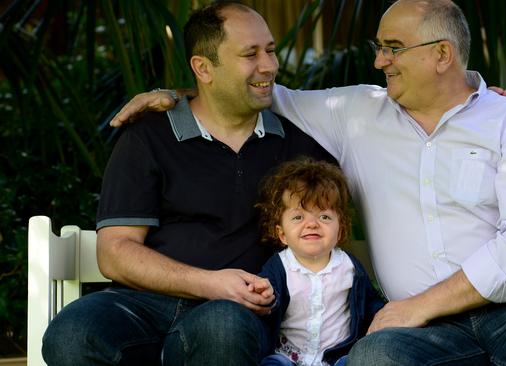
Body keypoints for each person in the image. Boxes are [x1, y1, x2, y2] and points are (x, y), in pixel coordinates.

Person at [112, 0, 506, 364]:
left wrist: (417, 307)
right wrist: (171, 95)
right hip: (420, 330)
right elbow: (245, 92)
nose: (378, 61)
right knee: (375, 363)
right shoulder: (355, 112)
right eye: (379, 47)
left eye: (393, 48)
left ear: (442, 55)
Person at [41, 2, 333, 365]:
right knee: (72, 333)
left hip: (238, 309)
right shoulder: (148, 136)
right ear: (203, 68)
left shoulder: (299, 144)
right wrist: (209, 282)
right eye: (250, 54)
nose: (270, 65)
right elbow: (115, 252)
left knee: (223, 326)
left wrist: (225, 291)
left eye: (270, 50)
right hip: (144, 302)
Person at [255, 158, 385, 366]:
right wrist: (263, 295)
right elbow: (264, 299)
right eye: (298, 218)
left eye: (324, 217)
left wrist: (382, 315)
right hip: (287, 356)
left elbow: (369, 302)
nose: (312, 224)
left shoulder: (349, 267)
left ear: (340, 230)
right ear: (282, 234)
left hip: (337, 357)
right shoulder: (280, 266)